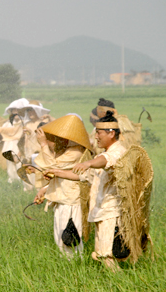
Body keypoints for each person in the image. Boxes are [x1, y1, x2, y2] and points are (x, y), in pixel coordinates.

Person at [44, 111, 127, 271]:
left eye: (99, 133)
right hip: (102, 212)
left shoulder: (117, 152)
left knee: (107, 256)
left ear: (111, 133)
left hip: (112, 212)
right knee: (105, 254)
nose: (96, 136)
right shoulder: (105, 154)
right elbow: (83, 176)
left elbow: (103, 161)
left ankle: (121, 285)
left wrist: (88, 163)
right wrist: (57, 173)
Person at [33, 114, 92, 257]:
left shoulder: (76, 151)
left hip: (71, 200)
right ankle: (68, 268)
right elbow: (58, 173)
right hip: (62, 198)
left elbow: (53, 166)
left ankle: (75, 269)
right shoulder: (66, 150)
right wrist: (45, 189)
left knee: (70, 239)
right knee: (60, 238)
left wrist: (43, 144)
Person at [19, 100, 54, 190]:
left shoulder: (43, 123)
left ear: (37, 111)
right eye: (28, 110)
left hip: (39, 154)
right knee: (28, 176)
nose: (30, 112)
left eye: (32, 110)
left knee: (39, 177)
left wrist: (31, 134)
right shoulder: (27, 124)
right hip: (28, 154)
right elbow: (23, 141)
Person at [0, 98, 29, 183]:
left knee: (20, 167)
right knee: (10, 169)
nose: (15, 113)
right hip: (8, 149)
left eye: (17, 110)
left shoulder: (25, 123)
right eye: (14, 111)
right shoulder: (7, 124)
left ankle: (22, 185)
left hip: (19, 149)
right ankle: (12, 184)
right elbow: (0, 134)